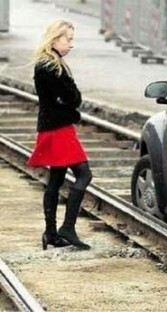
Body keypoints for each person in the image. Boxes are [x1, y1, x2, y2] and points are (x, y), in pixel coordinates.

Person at [27, 20, 92, 250]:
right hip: (58, 130)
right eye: (69, 39)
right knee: (84, 174)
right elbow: (72, 97)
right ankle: (67, 228)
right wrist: (73, 104)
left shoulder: (49, 64)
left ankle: (51, 233)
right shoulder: (51, 67)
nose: (71, 44)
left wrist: (71, 102)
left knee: (56, 179)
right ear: (55, 39)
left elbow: (67, 99)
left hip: (54, 127)